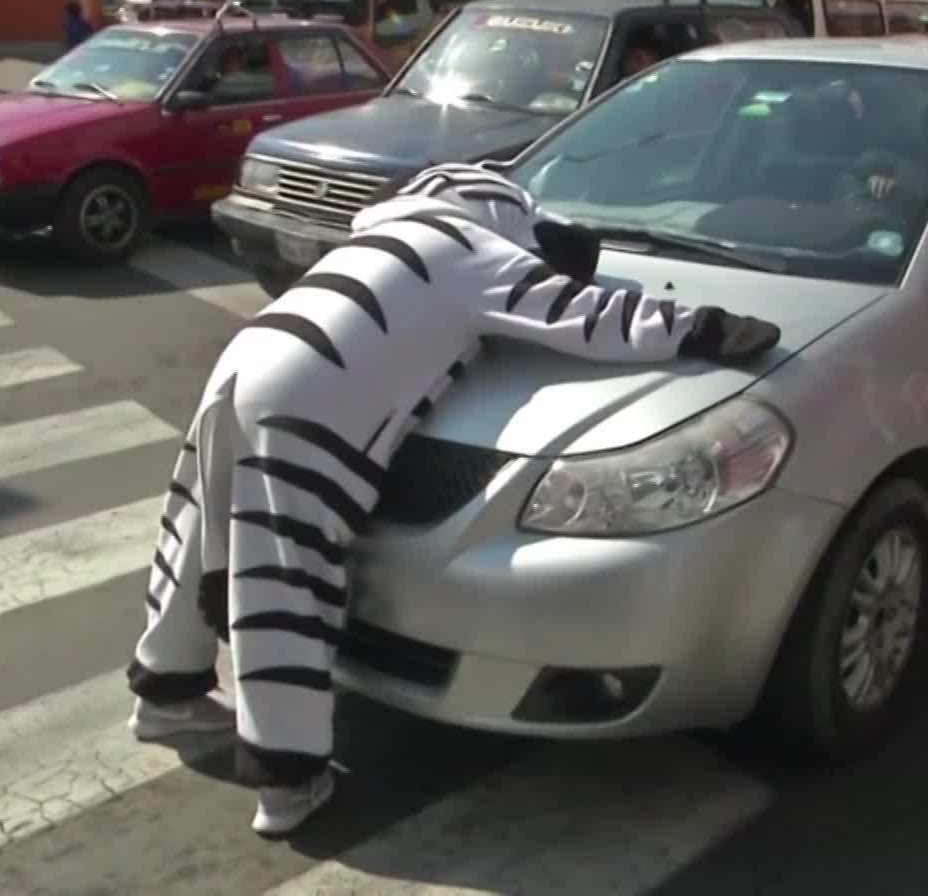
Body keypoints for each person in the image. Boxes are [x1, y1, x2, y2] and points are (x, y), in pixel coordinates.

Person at [125, 166, 781, 837]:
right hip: (303, 395)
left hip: (244, 360)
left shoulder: (382, 239)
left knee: (195, 523)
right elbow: (586, 317)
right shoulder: (470, 248)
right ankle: (285, 779)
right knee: (284, 571)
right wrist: (709, 328)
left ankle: (164, 690)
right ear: (505, 216)